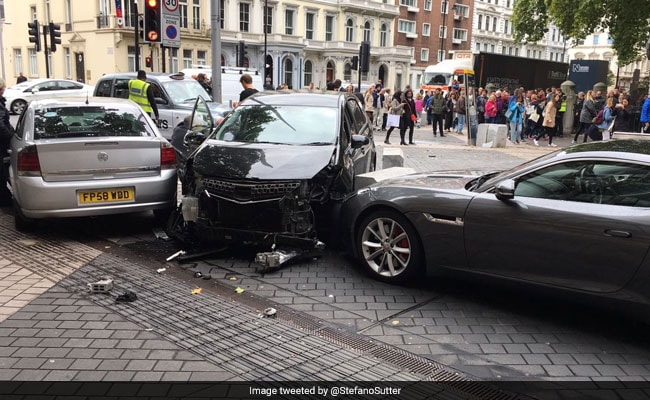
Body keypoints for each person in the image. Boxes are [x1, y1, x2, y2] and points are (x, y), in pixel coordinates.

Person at [0, 78, 15, 205]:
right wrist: (13, 138)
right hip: (1, 144)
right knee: (3, 172)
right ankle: (4, 200)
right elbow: (1, 127)